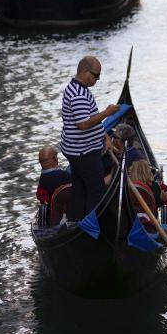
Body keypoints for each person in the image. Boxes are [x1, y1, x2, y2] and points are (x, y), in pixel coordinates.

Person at [61, 56, 119, 221]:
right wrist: (107, 113)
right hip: (83, 151)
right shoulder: (78, 94)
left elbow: (91, 119)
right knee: (96, 189)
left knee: (79, 187)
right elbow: (84, 125)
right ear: (85, 72)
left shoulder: (78, 88)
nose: (98, 79)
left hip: (77, 149)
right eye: (96, 75)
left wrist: (105, 136)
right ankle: (91, 227)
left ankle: (74, 221)